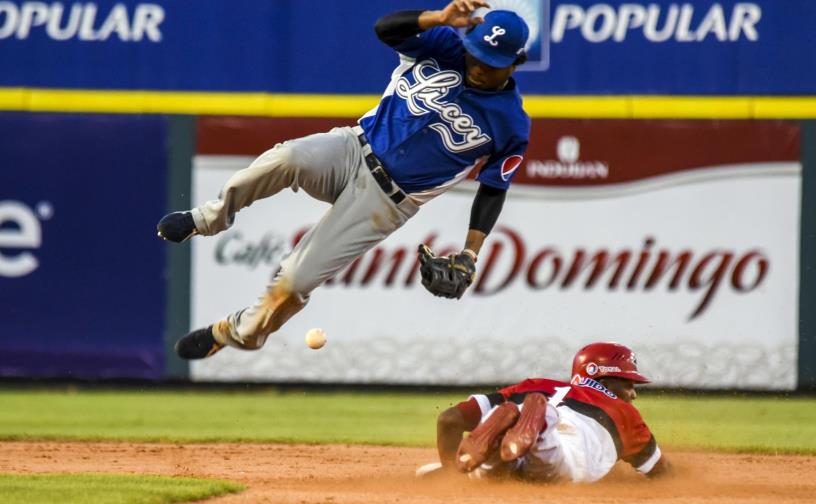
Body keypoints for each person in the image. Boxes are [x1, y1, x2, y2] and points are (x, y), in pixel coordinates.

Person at [157, 0, 532, 359]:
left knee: (295, 281)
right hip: (353, 147)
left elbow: (493, 189)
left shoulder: (511, 124)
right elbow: (384, 29)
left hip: (386, 202)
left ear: (516, 63)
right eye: (477, 54)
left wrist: (470, 253)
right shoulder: (444, 47)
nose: (480, 65)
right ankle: (209, 218)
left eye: (493, 62)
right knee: (288, 157)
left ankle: (237, 333)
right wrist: (437, 17)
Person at [429, 342, 671, 482]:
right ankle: (541, 427)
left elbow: (449, 419)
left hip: (528, 405)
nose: (633, 393)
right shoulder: (623, 411)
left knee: (490, 474)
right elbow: (661, 472)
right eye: (628, 383)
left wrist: (451, 478)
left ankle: (507, 423)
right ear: (605, 380)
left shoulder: (535, 385)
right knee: (553, 463)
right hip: (568, 442)